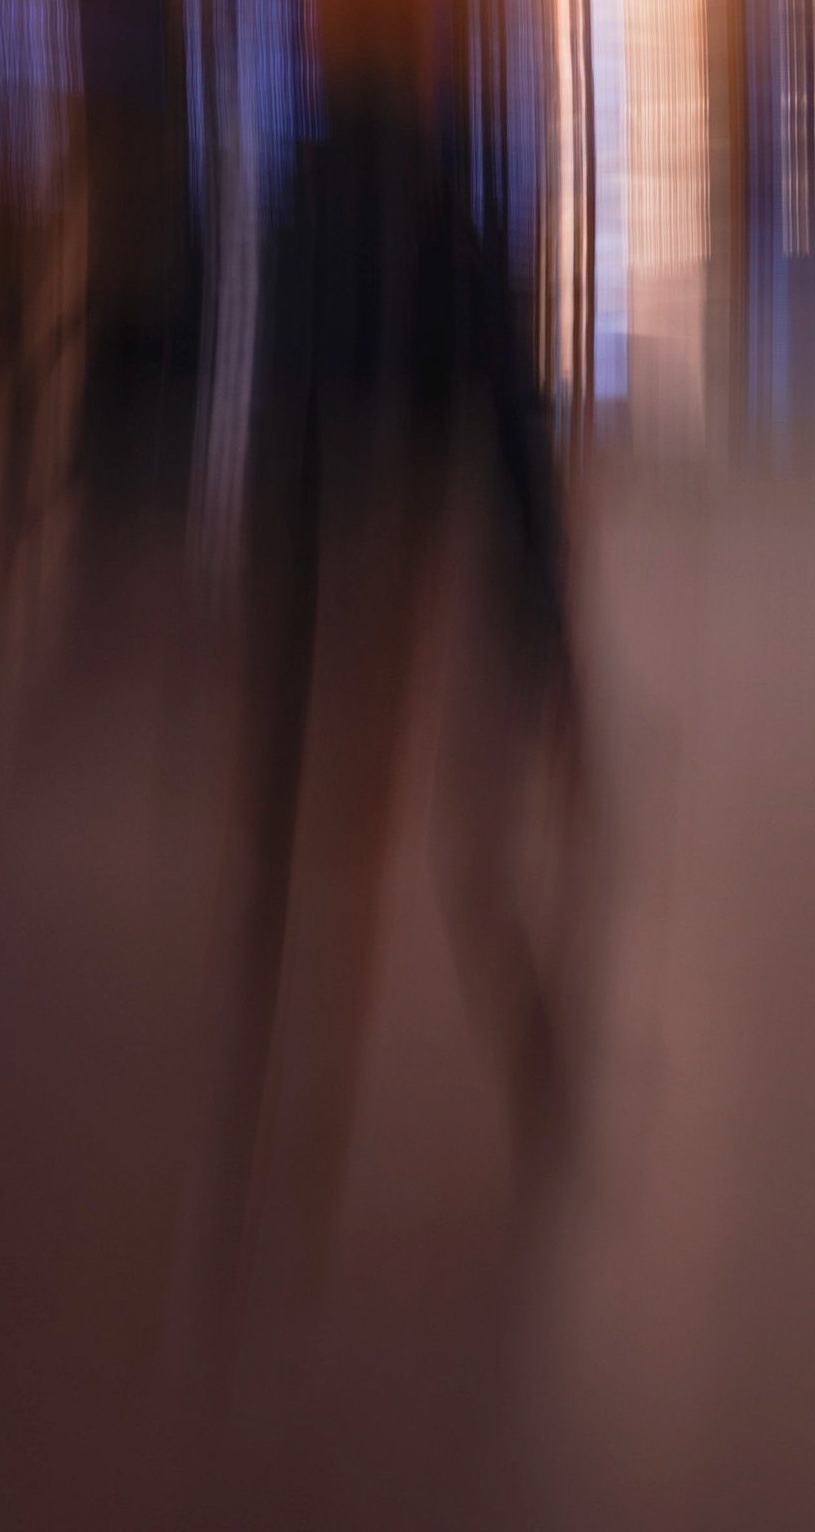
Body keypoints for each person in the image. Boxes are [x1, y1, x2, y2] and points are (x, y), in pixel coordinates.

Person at [217, 94, 592, 1318]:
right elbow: (512, 437)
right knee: (448, 851)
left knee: (338, 856)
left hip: (375, 546)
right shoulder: (442, 228)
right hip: (419, 542)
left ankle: (288, 1130)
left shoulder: (325, 219)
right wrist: (548, 639)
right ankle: (522, 1070)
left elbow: (287, 412)